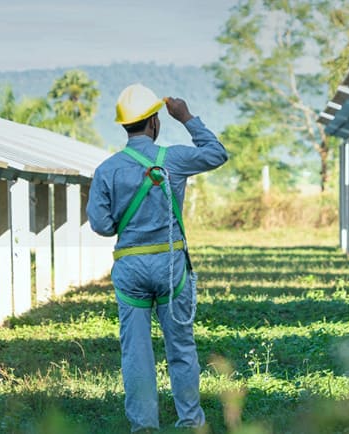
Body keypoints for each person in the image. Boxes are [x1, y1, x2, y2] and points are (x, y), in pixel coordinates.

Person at [86, 83, 228, 432]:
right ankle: (190, 421)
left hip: (131, 266)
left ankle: (144, 425)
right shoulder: (174, 159)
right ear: (154, 122)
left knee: (136, 352)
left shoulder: (107, 169)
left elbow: (101, 226)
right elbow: (216, 153)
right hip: (170, 266)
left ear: (124, 125)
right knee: (180, 347)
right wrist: (187, 117)